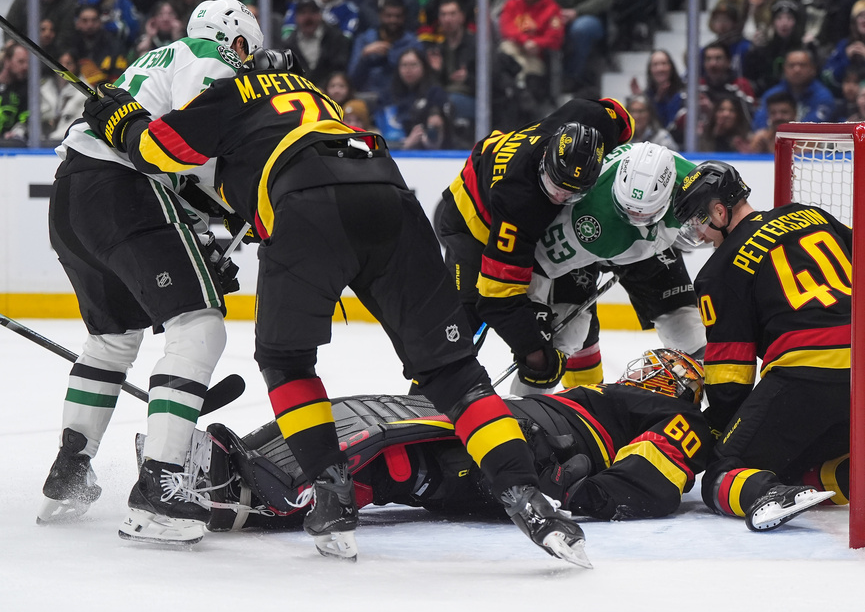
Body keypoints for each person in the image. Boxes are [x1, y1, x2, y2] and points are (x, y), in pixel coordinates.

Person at [83, 48, 591, 568]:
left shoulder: (231, 92)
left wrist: (121, 116)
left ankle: (332, 496)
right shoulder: (315, 93)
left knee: (288, 362)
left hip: (307, 205)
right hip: (389, 193)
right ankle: (530, 500)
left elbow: (153, 150)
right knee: (455, 371)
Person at [37, 0, 263, 547]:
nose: (247, 64)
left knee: (112, 342)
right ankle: (160, 490)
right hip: (124, 194)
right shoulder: (210, 60)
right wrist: (245, 204)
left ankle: (69, 472)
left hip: (71, 196)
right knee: (199, 324)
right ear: (234, 39)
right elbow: (187, 148)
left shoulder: (156, 60)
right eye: (247, 54)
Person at [188, 349, 712, 529]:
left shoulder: (667, 410)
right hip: (511, 422)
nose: (644, 372)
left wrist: (582, 492)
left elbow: (659, 466)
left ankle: (267, 497)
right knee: (367, 420)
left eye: (657, 369)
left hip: (534, 444)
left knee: (410, 460)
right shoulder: (611, 392)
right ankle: (257, 481)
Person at [673, 161, 847, 531]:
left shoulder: (718, 271)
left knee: (724, 474)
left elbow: (731, 378)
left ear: (719, 211)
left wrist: (719, 435)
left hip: (805, 379)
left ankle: (765, 495)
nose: (698, 234)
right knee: (795, 462)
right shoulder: (809, 215)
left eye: (697, 221)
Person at [436, 98, 634, 395]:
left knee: (578, 304)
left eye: (572, 194)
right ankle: (425, 404)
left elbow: (617, 115)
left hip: (523, 208)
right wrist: (535, 355)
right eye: (556, 187)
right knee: (466, 320)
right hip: (474, 222)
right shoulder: (518, 201)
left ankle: (589, 405)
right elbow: (497, 298)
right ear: (545, 160)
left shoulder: (595, 123)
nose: (559, 198)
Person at [528, 142, 706, 394]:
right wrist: (534, 315)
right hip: (595, 236)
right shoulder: (584, 217)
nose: (634, 219)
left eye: (644, 214)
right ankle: (526, 415)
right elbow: (541, 263)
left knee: (688, 333)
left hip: (652, 246)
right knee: (565, 335)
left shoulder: (694, 184)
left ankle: (720, 415)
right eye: (629, 211)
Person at [542, 0, 615, 91]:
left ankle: (571, 76)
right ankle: (542, 80)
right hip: (555, 12)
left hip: (588, 15)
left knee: (581, 29)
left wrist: (577, 12)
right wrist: (554, 12)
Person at [497, 0, 564, 108]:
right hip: (515, 53)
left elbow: (555, 37)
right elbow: (507, 28)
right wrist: (525, 40)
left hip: (535, 57)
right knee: (505, 48)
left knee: (532, 89)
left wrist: (537, 43)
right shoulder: (512, 5)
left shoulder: (551, 8)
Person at [349, 0, 423, 99]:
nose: (393, 20)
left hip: (401, 96)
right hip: (367, 96)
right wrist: (364, 56)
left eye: (398, 16)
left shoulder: (413, 43)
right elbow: (351, 79)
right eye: (388, 16)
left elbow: (420, 79)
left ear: (404, 18)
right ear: (380, 16)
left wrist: (392, 55)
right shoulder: (364, 39)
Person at [752, 48, 834, 130]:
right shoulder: (772, 94)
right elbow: (759, 122)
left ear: (813, 69)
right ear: (784, 69)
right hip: (772, 139)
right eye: (791, 65)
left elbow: (813, 127)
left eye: (802, 65)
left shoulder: (823, 96)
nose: (797, 70)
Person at [282, 0, 354, 88]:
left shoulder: (336, 38)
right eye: (303, 13)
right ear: (296, 18)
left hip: (330, 92)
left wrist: (324, 88)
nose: (308, 17)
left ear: (320, 15)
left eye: (312, 12)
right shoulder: (289, 45)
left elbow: (340, 68)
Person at [744, 0, 806, 98]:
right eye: (779, 18)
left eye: (789, 18)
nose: (784, 23)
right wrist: (754, 50)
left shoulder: (803, 48)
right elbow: (750, 74)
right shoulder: (766, 47)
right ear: (773, 22)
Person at [822, 0, 865, 96]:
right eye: (860, 16)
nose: (864, 20)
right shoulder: (844, 45)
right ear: (854, 22)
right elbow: (828, 77)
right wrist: (846, 59)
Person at [69, 4, 129, 85]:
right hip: (73, 86)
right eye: (85, 20)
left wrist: (100, 78)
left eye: (94, 20)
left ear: (100, 22)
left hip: (104, 89)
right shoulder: (69, 43)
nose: (90, 25)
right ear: (78, 23)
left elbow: (120, 77)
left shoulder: (114, 44)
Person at [0, 44, 29, 141]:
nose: (25, 66)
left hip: (10, 144)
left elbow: (26, 118)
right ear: (7, 61)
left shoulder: (27, 89)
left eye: (27, 62)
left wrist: (17, 131)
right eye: (20, 62)